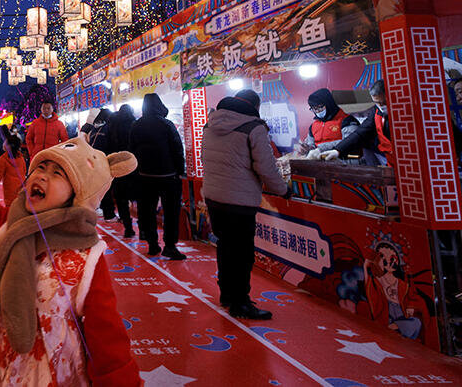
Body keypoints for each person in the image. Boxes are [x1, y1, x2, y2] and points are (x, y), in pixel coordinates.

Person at [0, 90, 139, 385]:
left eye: (57, 173)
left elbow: (108, 340)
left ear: (78, 195)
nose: (41, 175)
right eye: (40, 167)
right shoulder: (5, 225)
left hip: (41, 372)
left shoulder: (86, 260)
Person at [201, 89, 290, 320]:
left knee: (225, 246)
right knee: (242, 253)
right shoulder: (254, 127)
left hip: (213, 198)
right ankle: (241, 303)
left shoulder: (209, 125)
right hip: (239, 202)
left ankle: (227, 295)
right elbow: (267, 168)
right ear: (254, 106)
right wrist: (283, 190)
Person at [130, 93, 186, 260]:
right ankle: (170, 246)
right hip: (168, 176)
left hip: (145, 176)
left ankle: (152, 244)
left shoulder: (136, 125)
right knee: (171, 212)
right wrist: (179, 170)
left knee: (147, 211)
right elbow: (177, 149)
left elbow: (131, 150)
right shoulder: (167, 124)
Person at [321, 80, 392, 166]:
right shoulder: (376, 111)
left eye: (384, 102)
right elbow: (361, 133)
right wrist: (337, 150)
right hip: (385, 157)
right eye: (377, 103)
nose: (381, 106)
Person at [102, 104, 137, 238]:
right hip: (132, 166)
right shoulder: (134, 124)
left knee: (121, 198)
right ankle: (144, 230)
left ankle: (128, 227)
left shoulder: (111, 126)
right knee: (138, 197)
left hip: (117, 167)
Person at [299, 88, 358, 159]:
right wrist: (307, 148)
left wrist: (321, 148)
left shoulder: (346, 120)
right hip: (320, 163)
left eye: (320, 107)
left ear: (329, 104)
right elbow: (311, 145)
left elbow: (350, 141)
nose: (317, 111)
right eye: (314, 109)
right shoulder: (313, 126)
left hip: (344, 161)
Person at [84, 108, 115, 220]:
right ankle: (109, 215)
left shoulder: (93, 130)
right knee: (105, 188)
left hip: (92, 161)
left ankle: (96, 208)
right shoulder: (107, 129)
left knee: (97, 187)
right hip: (103, 161)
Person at [0, 132, 26, 203]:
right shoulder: (21, 157)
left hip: (10, 188)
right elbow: (24, 171)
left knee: (9, 206)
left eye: (5, 142)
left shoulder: (3, 159)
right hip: (21, 186)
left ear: (9, 146)